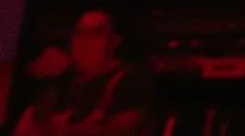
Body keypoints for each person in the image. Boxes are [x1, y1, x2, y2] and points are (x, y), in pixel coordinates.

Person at [12, 8, 154, 136]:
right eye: (79, 33)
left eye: (97, 33)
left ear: (115, 41)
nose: (85, 42)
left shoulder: (132, 81)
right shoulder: (57, 83)